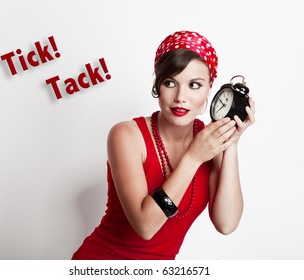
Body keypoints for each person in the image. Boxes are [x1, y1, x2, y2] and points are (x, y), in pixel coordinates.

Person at [72, 30, 255, 260]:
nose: (181, 97)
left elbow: (226, 224)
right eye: (170, 82)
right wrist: (193, 158)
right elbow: (145, 226)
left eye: (194, 85)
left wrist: (231, 144)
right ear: (158, 84)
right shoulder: (126, 135)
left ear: (211, 88)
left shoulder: (209, 142)